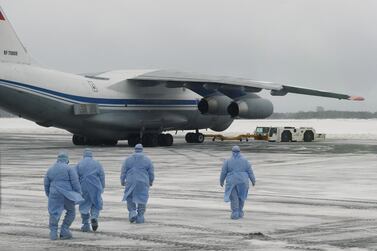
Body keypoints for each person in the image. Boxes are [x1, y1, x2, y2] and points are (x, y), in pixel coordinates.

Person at [44, 152, 83, 240]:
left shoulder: (50, 169)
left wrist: (48, 194)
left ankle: (53, 233)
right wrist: (78, 192)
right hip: (67, 194)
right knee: (71, 211)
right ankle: (64, 230)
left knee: (54, 213)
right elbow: (75, 182)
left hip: (54, 193)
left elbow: (46, 183)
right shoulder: (69, 168)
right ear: (66, 160)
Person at [121, 144, 154, 224]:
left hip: (130, 180)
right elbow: (151, 173)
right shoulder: (147, 160)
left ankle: (132, 212)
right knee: (142, 198)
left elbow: (123, 171)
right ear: (142, 149)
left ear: (135, 149)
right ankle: (140, 216)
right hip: (143, 181)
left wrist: (122, 181)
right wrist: (151, 181)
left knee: (130, 197)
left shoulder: (128, 159)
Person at [220, 145, 256, 220]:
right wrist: (253, 180)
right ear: (240, 151)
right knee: (241, 197)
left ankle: (235, 213)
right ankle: (240, 212)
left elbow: (223, 172)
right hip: (243, 181)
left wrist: (221, 180)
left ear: (232, 152)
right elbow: (250, 172)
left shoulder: (227, 161)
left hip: (232, 181)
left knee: (234, 198)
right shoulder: (245, 161)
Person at [75, 149, 105, 232]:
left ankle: (85, 224)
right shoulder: (97, 163)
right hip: (95, 186)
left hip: (83, 186)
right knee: (96, 203)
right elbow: (102, 175)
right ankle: (94, 217)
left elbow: (75, 177)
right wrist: (102, 186)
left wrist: (75, 188)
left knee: (84, 204)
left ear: (84, 155)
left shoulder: (79, 164)